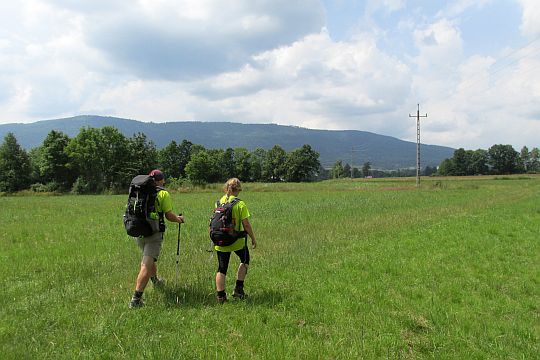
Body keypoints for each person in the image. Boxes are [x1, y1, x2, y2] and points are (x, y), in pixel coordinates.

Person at [129, 169, 184, 309]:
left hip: (138, 230)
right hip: (153, 233)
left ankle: (155, 281)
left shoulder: (140, 190)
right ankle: (136, 299)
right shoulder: (162, 193)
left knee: (150, 258)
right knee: (146, 264)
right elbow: (169, 215)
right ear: (161, 180)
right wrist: (179, 219)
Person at [214, 178, 257, 303]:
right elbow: (246, 225)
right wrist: (253, 238)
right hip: (236, 241)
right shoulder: (240, 204)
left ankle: (221, 296)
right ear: (237, 189)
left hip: (220, 241)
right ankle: (238, 290)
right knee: (245, 260)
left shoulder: (219, 202)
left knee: (222, 268)